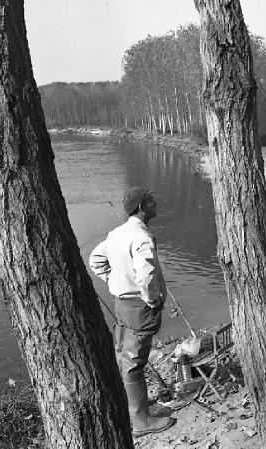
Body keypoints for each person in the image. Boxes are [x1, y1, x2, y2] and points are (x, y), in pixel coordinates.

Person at [89, 187, 175, 437]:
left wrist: (113, 281)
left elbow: (96, 259)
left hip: (121, 304)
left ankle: (134, 411)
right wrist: (151, 299)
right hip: (139, 306)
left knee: (125, 357)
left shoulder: (116, 233)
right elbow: (146, 274)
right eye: (151, 200)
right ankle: (140, 422)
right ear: (141, 207)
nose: (155, 202)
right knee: (134, 363)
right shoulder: (141, 237)